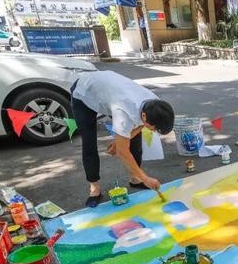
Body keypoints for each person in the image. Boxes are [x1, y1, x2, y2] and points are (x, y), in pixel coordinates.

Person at [70, 70, 175, 208]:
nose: (153, 131)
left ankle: (135, 178)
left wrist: (122, 139)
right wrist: (145, 178)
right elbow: (122, 152)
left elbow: (140, 125)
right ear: (144, 116)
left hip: (109, 92)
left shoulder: (155, 104)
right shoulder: (124, 114)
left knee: (134, 139)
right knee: (89, 141)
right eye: (154, 128)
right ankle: (94, 188)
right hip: (84, 93)